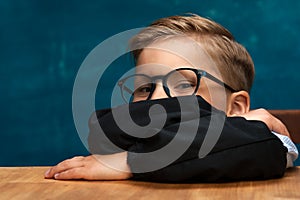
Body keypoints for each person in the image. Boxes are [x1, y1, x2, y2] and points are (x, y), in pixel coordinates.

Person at [44, 14, 298, 181]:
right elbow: (105, 130)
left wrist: (130, 163)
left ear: (237, 106)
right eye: (144, 88)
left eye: (184, 85)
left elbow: (257, 148)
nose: (156, 99)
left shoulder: (260, 143)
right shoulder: (128, 133)